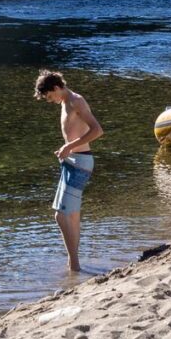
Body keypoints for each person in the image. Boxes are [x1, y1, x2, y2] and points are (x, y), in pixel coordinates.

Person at [34, 69, 103, 273]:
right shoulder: (64, 102)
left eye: (49, 96)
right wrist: (66, 149)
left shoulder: (75, 101)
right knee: (71, 215)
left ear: (56, 87)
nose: (49, 100)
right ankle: (73, 263)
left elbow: (98, 130)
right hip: (72, 161)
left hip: (81, 162)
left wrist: (69, 147)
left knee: (60, 215)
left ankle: (74, 264)